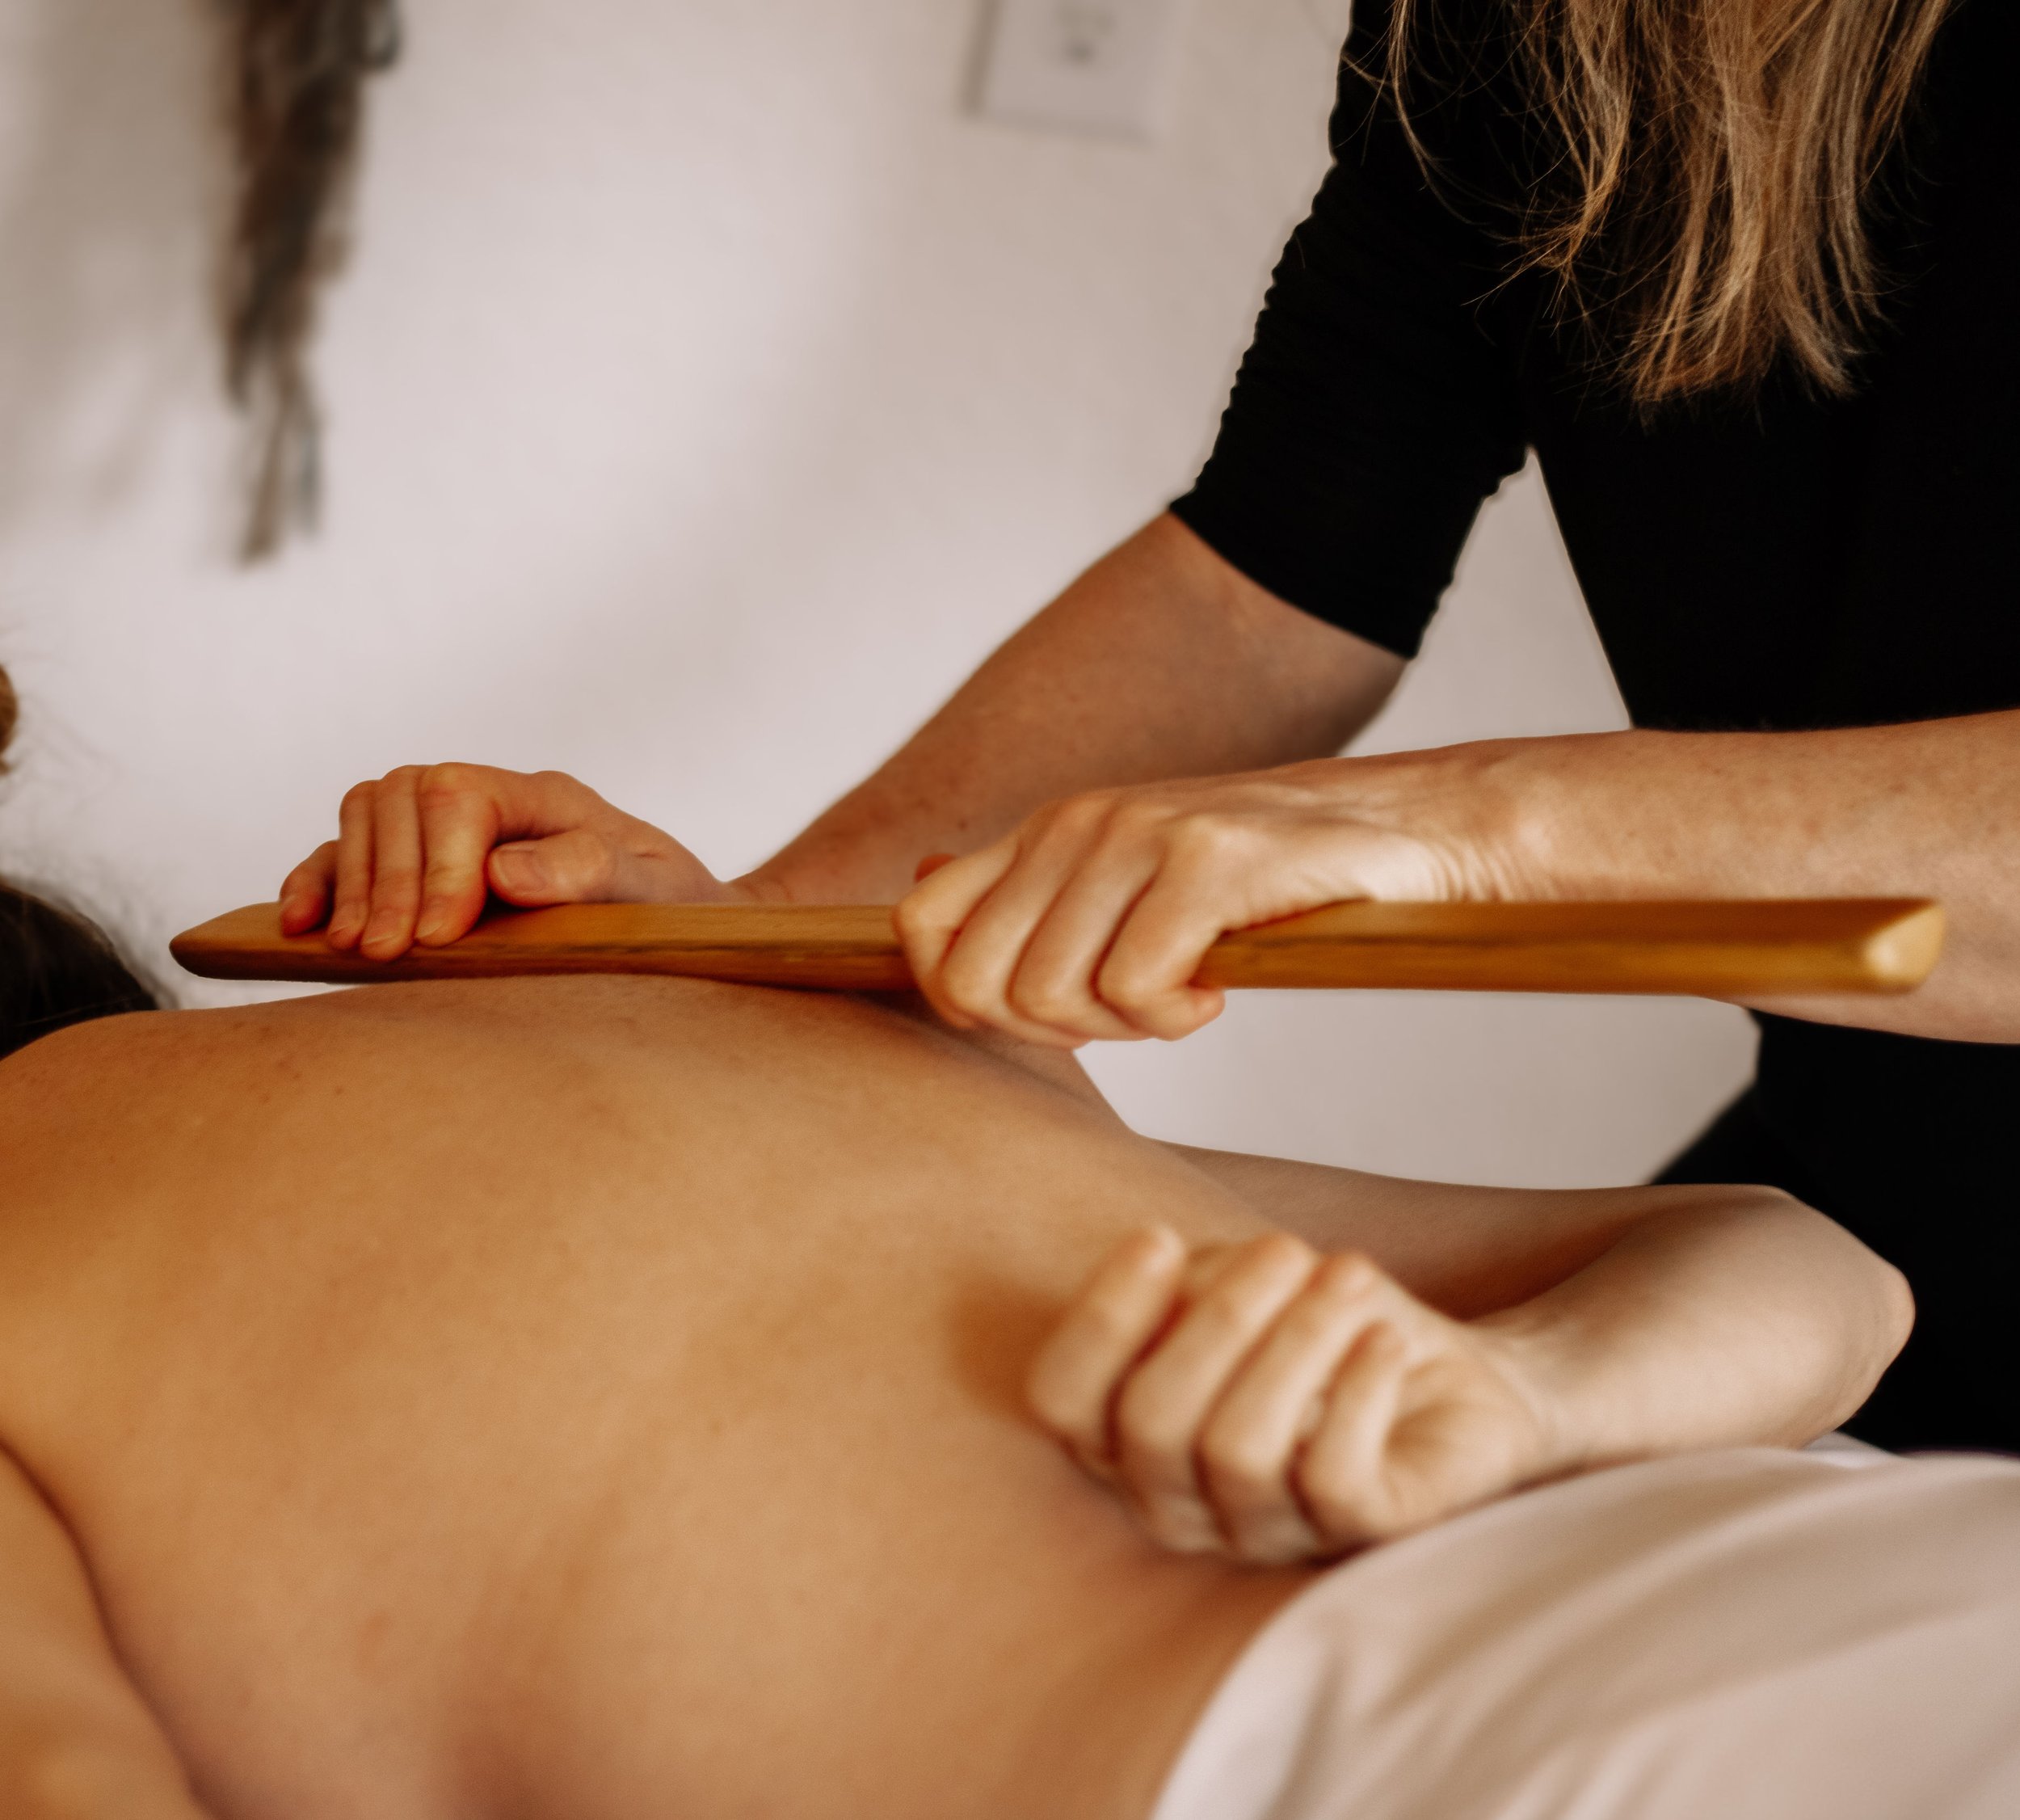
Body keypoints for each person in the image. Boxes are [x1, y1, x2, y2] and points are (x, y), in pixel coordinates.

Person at [280, 0, 2019, 1453]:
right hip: (1880, 1200)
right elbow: (1265, 576)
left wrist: (1467, 829)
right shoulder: (1509, 30)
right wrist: (739, 954)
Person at [3, 857, 2014, 1820]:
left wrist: (1506, 1402)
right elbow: (1813, 1267)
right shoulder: (704, 1001)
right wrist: (1531, 1394)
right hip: (1875, 1564)